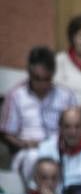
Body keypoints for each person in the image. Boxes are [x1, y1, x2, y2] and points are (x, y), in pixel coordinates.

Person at [0, 46, 75, 182]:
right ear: (29, 73)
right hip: (28, 149)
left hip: (59, 146)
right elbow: (7, 133)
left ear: (52, 74)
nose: (41, 83)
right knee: (34, 158)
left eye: (46, 79)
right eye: (36, 78)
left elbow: (76, 125)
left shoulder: (65, 95)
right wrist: (25, 144)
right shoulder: (16, 95)